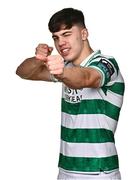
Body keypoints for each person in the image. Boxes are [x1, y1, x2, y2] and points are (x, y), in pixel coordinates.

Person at [16, 8, 125, 180]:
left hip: (99, 171)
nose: (61, 43)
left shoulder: (106, 63)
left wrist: (60, 73)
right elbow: (23, 72)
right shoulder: (66, 66)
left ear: (83, 34)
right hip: (66, 169)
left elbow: (87, 77)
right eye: (56, 37)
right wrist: (38, 58)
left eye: (67, 34)